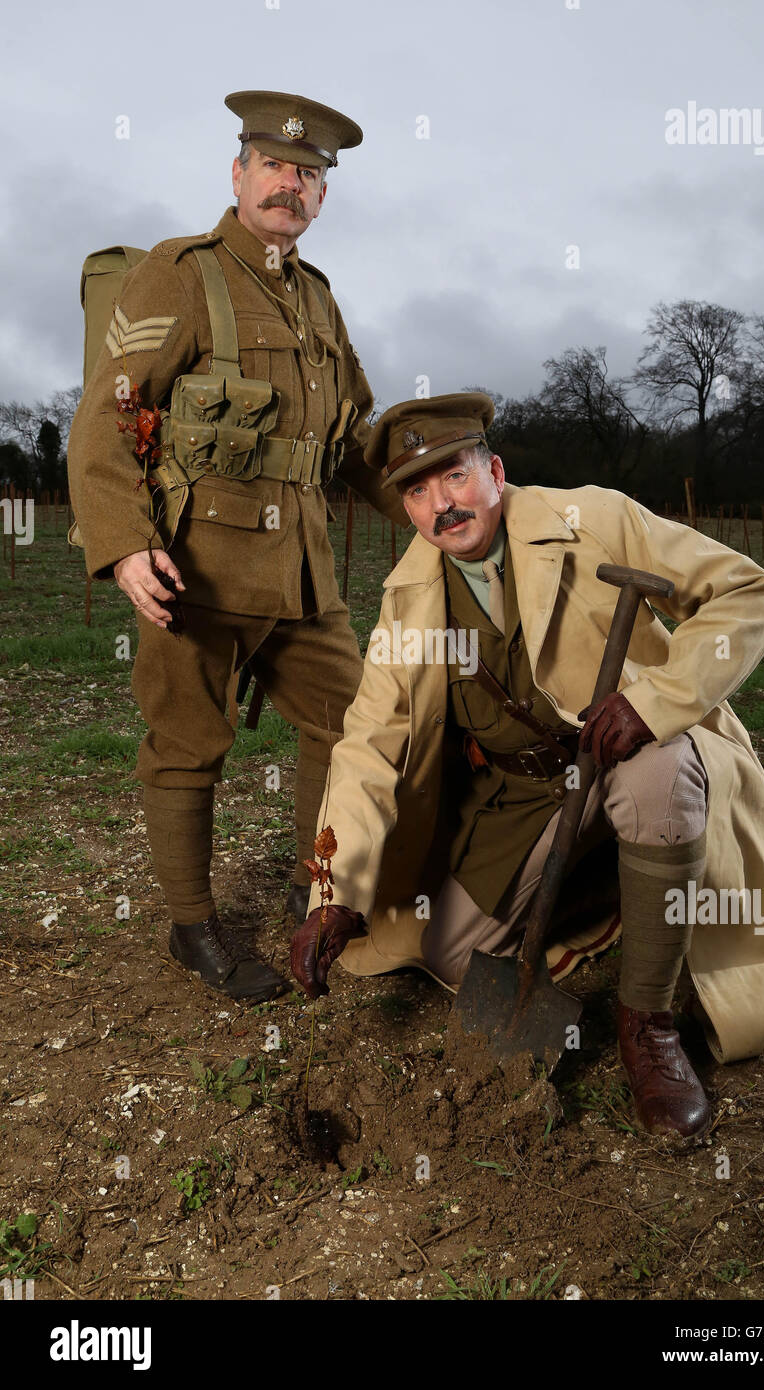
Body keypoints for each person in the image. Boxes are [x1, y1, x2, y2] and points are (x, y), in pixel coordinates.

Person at [289, 393, 764, 1140]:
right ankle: (622, 889)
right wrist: (335, 888)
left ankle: (644, 1021)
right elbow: (369, 744)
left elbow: (748, 593)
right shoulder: (409, 601)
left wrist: (656, 701)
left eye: (452, 477)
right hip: (517, 795)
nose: (439, 506)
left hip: (626, 756)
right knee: (452, 955)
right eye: (416, 492)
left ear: (493, 470)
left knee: (659, 774)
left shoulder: (596, 519)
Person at [68, 91, 405, 1003]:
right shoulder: (182, 273)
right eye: (273, 166)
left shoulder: (318, 302)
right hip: (196, 570)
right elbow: (103, 421)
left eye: (308, 175)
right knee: (186, 743)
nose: (288, 185)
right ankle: (193, 927)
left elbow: (355, 442)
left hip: (301, 576)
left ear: (322, 197)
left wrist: (442, 506)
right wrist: (126, 547)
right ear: (238, 172)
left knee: (351, 725)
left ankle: (317, 894)